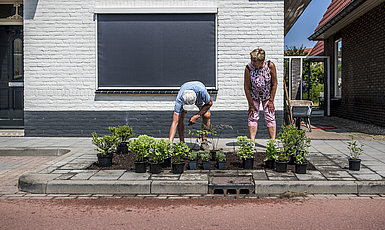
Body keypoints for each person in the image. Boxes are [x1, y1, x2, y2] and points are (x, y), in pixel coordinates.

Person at [244, 48, 278, 140]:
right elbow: (246, 88)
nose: (252, 62)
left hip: (267, 96)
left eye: (255, 61)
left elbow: (274, 84)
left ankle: (272, 142)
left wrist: (271, 100)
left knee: (270, 116)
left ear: (262, 60)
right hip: (254, 96)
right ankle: (252, 142)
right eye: (251, 60)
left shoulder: (270, 65)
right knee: (252, 116)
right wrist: (251, 105)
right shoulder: (248, 68)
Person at [169, 81, 213, 148]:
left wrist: (196, 116)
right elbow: (175, 122)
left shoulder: (202, 91)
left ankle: (204, 141)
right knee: (180, 118)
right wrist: (170, 143)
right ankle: (182, 143)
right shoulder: (180, 99)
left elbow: (209, 103)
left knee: (207, 115)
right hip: (185, 95)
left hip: (199, 98)